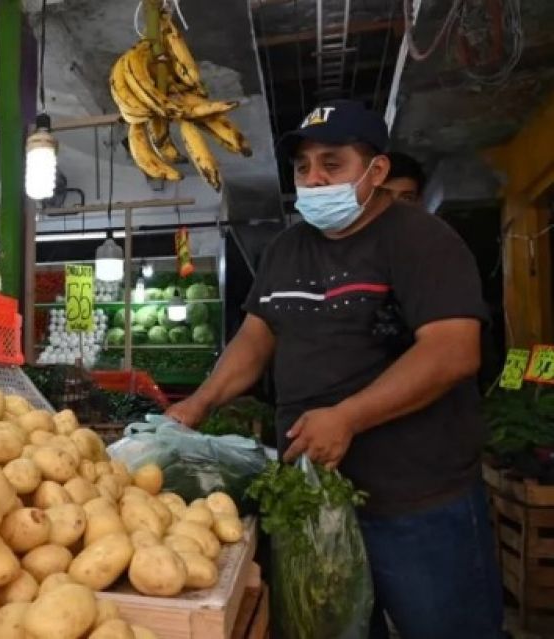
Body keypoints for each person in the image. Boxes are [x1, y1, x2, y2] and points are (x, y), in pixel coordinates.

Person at [167, 99, 502, 638]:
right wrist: (200, 403)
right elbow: (256, 337)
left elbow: (453, 350)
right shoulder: (286, 249)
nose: (314, 179)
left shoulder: (421, 239)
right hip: (312, 501)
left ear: (377, 169)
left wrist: (348, 416)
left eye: (332, 163)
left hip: (416, 503)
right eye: (303, 167)